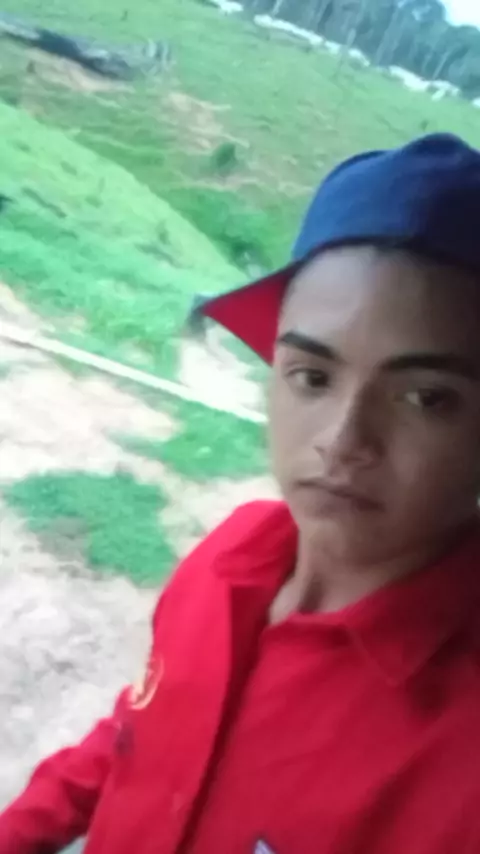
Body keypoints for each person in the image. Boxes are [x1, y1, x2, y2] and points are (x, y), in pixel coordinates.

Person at [3, 133, 480, 854]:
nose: (342, 440)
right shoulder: (232, 555)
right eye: (312, 377)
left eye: (426, 398)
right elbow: (142, 728)